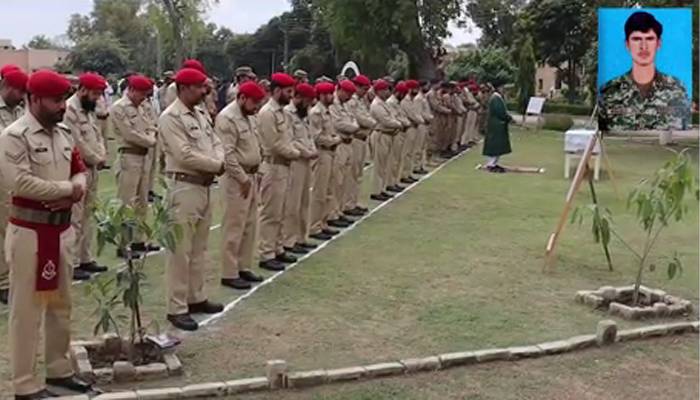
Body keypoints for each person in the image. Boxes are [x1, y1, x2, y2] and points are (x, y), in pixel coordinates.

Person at [0, 69, 99, 399]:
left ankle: (59, 370)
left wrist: (77, 185)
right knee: (26, 311)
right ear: (35, 99)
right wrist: (67, 189)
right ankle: (25, 384)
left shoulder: (64, 131)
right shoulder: (15, 135)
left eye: (63, 99)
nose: (62, 105)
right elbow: (20, 182)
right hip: (29, 231)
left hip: (61, 230)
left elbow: (79, 168)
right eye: (56, 100)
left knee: (61, 304)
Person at [159, 67, 225, 331]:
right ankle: (176, 307)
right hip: (183, 187)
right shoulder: (170, 117)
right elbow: (183, 154)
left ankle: (195, 297)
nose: (204, 91)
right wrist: (215, 165)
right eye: (199, 86)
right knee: (180, 250)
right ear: (184, 88)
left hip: (204, 186)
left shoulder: (199, 113)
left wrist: (218, 160)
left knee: (199, 247)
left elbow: (215, 140)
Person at [598, 11, 688, 131]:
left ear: (658, 44)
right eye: (636, 39)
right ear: (627, 44)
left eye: (650, 39)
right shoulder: (609, 92)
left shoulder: (677, 90)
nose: (643, 46)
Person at [216, 81, 267, 290]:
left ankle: (243, 266)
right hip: (237, 179)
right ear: (242, 98)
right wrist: (242, 178)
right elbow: (227, 154)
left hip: (252, 175)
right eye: (254, 102)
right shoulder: (227, 118)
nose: (256, 106)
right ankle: (229, 271)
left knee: (250, 224)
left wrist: (259, 171)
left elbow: (258, 146)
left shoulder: (250, 117)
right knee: (234, 225)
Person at [63, 72, 109, 281]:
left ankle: (85, 258)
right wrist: (95, 158)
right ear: (82, 90)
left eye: (100, 93)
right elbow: (76, 142)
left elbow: (97, 135)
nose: (98, 97)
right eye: (95, 93)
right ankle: (71, 263)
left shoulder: (88, 109)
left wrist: (101, 155)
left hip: (92, 167)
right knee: (75, 218)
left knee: (89, 214)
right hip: (78, 170)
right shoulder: (70, 110)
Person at [110, 75, 161, 258]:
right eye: (141, 93)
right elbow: (129, 133)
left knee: (142, 201)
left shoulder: (144, 106)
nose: (144, 98)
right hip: (129, 156)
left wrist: (150, 137)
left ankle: (139, 240)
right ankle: (123, 243)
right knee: (126, 202)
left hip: (144, 157)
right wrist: (150, 140)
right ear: (131, 90)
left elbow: (152, 126)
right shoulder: (119, 108)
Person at [257, 73, 301, 272]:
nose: (291, 95)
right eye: (288, 91)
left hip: (284, 165)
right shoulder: (268, 113)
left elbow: (288, 138)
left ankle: (278, 247)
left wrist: (293, 151)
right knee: (271, 212)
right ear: (276, 90)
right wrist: (295, 153)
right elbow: (274, 144)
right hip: (273, 166)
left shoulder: (282, 112)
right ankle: (266, 253)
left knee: (282, 209)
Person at [0, 68, 28, 305]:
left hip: (16, 176)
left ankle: (13, 277)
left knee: (14, 226)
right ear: (7, 87)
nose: (22, 97)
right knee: (2, 229)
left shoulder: (19, 110)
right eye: (19, 91)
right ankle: (3, 282)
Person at [281, 83, 319, 255]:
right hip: (296, 160)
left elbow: (309, 136)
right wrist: (306, 152)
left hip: (307, 161)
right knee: (292, 203)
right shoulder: (288, 114)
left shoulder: (305, 114)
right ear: (299, 98)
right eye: (308, 101)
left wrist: (312, 150)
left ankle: (301, 237)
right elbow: (290, 139)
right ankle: (289, 240)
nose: (310, 104)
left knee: (304, 201)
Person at [308, 82, 341, 241]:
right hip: (321, 153)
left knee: (329, 189)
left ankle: (323, 222)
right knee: (319, 192)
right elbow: (317, 136)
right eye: (329, 94)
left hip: (331, 153)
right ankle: (314, 225)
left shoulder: (328, 112)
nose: (332, 97)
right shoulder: (316, 113)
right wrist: (333, 140)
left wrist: (334, 139)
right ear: (321, 95)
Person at [328, 80, 360, 226]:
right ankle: (332, 213)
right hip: (338, 144)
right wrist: (353, 127)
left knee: (345, 179)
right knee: (337, 181)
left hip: (348, 143)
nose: (349, 96)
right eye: (347, 93)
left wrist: (353, 126)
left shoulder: (345, 105)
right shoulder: (333, 104)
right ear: (339, 89)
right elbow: (338, 124)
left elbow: (353, 120)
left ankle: (340, 211)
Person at [345, 74, 376, 215]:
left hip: (362, 139)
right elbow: (361, 120)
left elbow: (368, 116)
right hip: (355, 139)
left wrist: (370, 122)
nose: (365, 92)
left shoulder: (360, 101)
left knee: (357, 174)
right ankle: (348, 205)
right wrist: (371, 123)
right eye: (363, 89)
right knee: (351, 175)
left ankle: (353, 202)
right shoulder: (351, 102)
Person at [369, 79, 402, 202]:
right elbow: (386, 120)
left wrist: (396, 122)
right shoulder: (376, 104)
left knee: (384, 163)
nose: (387, 92)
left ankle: (381, 189)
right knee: (379, 164)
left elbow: (392, 116)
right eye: (385, 89)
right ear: (379, 91)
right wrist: (399, 124)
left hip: (388, 135)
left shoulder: (384, 103)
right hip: (380, 134)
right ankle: (376, 191)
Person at [482, 80, 514, 173]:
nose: (504, 89)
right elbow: (500, 112)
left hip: (499, 124)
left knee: (498, 146)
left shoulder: (498, 97)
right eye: (502, 88)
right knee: (494, 145)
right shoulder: (495, 98)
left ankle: (494, 163)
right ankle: (491, 164)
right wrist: (509, 118)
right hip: (496, 125)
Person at [386, 81, 411, 193]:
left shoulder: (397, 102)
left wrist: (405, 123)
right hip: (395, 132)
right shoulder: (391, 102)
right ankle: (390, 182)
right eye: (403, 93)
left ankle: (394, 181)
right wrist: (404, 123)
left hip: (400, 131)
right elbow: (395, 118)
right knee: (393, 159)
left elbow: (402, 116)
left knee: (398, 158)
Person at [399, 79, 424, 184]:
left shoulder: (412, 100)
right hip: (408, 127)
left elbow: (417, 114)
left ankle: (408, 173)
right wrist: (421, 120)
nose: (416, 90)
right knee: (406, 152)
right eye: (414, 88)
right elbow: (412, 115)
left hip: (414, 127)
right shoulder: (405, 100)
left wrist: (419, 120)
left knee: (411, 151)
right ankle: (403, 174)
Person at [426, 79, 451, 165]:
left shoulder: (436, 93)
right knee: (432, 139)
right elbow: (436, 106)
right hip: (433, 118)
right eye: (438, 84)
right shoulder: (431, 94)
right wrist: (447, 111)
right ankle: (428, 159)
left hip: (439, 118)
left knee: (438, 138)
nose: (439, 86)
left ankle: (435, 156)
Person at [413, 80, 433, 175]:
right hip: (421, 124)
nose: (428, 88)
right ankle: (416, 166)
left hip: (425, 123)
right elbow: (418, 113)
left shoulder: (423, 97)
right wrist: (427, 118)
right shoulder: (418, 99)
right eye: (426, 86)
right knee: (418, 146)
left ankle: (421, 165)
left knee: (423, 145)